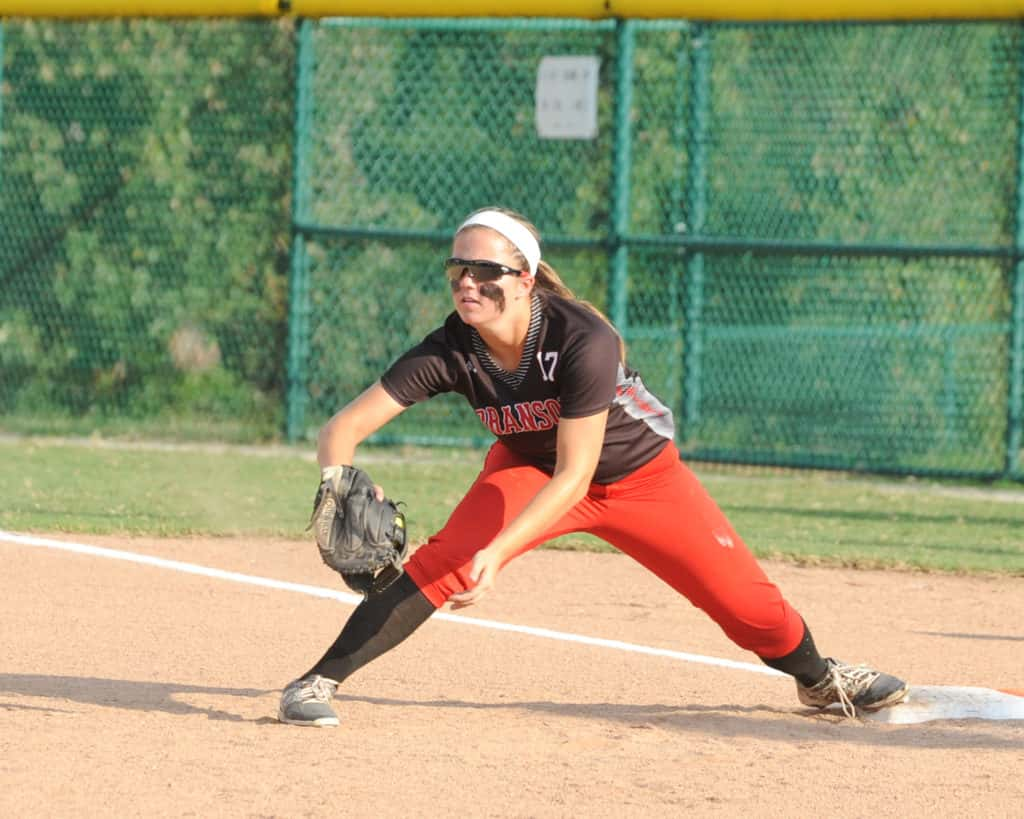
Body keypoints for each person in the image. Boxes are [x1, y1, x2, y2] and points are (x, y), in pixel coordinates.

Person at [278, 207, 909, 727]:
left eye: (486, 270)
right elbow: (343, 428)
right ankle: (314, 683)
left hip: (640, 479)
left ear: (525, 278)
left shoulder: (583, 339)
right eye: (458, 269)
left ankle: (820, 680)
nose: (468, 282)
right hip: (528, 467)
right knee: (444, 562)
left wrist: (497, 553)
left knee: (748, 607)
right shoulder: (451, 349)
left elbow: (578, 478)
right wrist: (337, 479)